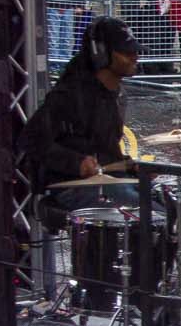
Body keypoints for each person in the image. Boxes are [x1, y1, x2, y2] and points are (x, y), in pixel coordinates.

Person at [18, 17, 141, 210]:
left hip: (107, 182)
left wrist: (130, 167)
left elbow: (107, 153)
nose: (135, 57)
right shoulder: (70, 95)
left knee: (161, 202)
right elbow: (31, 139)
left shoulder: (117, 95)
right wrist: (76, 163)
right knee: (141, 209)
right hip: (71, 187)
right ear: (101, 53)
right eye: (126, 52)